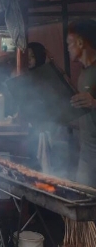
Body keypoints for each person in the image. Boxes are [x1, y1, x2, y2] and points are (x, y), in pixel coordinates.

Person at [67, 20, 96, 187]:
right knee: (82, 203)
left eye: (69, 43)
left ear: (80, 42)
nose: (68, 48)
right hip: (86, 151)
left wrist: (94, 103)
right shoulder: (83, 74)